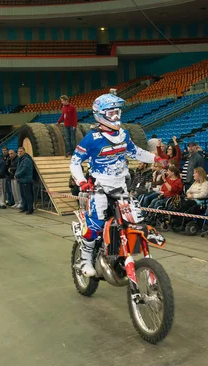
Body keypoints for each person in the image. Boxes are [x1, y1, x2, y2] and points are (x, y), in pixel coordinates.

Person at [70, 94, 163, 277]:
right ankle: (85, 260)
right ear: (101, 114)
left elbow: (136, 152)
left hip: (121, 188)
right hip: (100, 188)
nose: (115, 116)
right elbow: (74, 162)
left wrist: (156, 159)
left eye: (117, 112)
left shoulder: (124, 134)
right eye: (111, 113)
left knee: (135, 221)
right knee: (95, 224)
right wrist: (81, 181)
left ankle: (120, 253)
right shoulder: (92, 138)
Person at [15, 146, 35, 215]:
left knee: (28, 195)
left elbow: (24, 170)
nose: (20, 153)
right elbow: (19, 169)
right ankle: (25, 207)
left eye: (21, 151)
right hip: (22, 180)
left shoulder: (26, 159)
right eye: (19, 151)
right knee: (23, 195)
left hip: (26, 180)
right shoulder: (21, 159)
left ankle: (30, 209)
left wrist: (17, 175)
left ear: (24, 151)